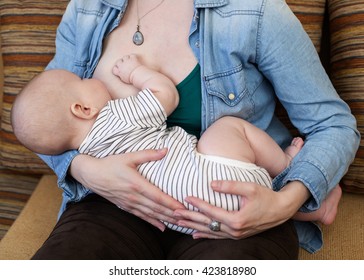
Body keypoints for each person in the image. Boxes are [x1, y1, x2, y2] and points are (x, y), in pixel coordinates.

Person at [18, 0, 359, 259]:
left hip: (231, 201)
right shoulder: (88, 10)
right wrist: (85, 169)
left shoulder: (254, 12)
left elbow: (334, 124)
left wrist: (288, 201)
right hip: (114, 202)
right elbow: (43, 116)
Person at [12, 54, 341, 236]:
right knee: (228, 129)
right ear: (82, 109)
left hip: (182, 218)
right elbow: (164, 96)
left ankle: (292, 205)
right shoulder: (114, 115)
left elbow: (44, 128)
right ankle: (287, 171)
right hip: (220, 179)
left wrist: (82, 166)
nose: (89, 79)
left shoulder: (88, 151)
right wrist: (138, 72)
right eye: (83, 82)